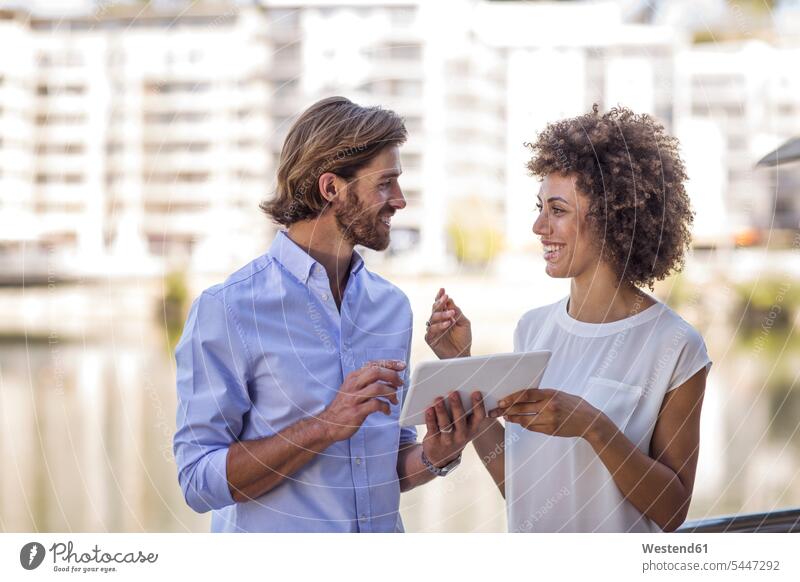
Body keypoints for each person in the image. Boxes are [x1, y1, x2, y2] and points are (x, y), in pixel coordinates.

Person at [173, 97, 484, 532]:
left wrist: (439, 452)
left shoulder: (391, 308)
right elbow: (197, 482)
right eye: (385, 183)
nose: (399, 201)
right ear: (331, 188)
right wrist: (324, 426)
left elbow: (383, 469)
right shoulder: (229, 309)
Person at [425, 105, 711, 532]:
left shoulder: (676, 346)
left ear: (613, 218)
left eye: (557, 210)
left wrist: (593, 427)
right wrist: (460, 366)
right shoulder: (532, 329)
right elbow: (519, 486)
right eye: (540, 207)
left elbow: (672, 511)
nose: (539, 226)